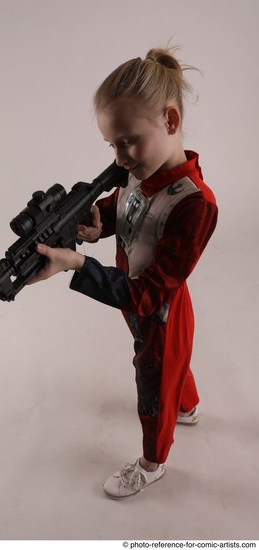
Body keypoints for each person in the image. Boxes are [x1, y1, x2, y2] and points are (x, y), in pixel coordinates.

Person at [28, 47, 218, 499]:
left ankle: (153, 461)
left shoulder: (196, 205)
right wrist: (99, 222)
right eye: (112, 145)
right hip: (129, 295)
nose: (120, 155)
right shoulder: (136, 168)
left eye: (128, 140)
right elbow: (131, 206)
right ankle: (187, 406)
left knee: (152, 381)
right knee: (171, 367)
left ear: (170, 122)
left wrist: (77, 264)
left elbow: (151, 295)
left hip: (158, 307)